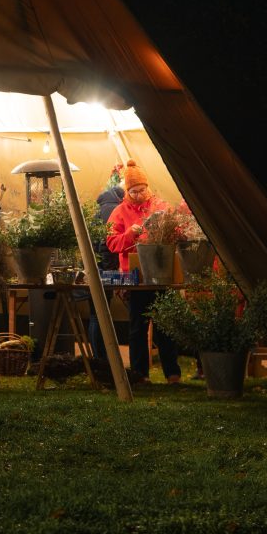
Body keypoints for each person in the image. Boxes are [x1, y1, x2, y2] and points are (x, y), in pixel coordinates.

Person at [106, 159, 181, 384]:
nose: (139, 194)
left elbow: (176, 231)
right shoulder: (119, 212)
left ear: (148, 187)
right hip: (136, 279)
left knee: (166, 326)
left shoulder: (161, 206)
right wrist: (129, 234)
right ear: (126, 191)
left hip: (162, 275)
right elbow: (111, 243)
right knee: (138, 327)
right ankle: (140, 375)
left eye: (142, 189)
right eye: (133, 191)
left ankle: (173, 374)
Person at [87, 168, 125, 358]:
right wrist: (111, 269)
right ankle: (102, 357)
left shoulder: (100, 206)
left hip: (93, 266)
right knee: (100, 314)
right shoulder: (114, 208)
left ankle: (99, 356)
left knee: (96, 313)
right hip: (104, 268)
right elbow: (105, 243)